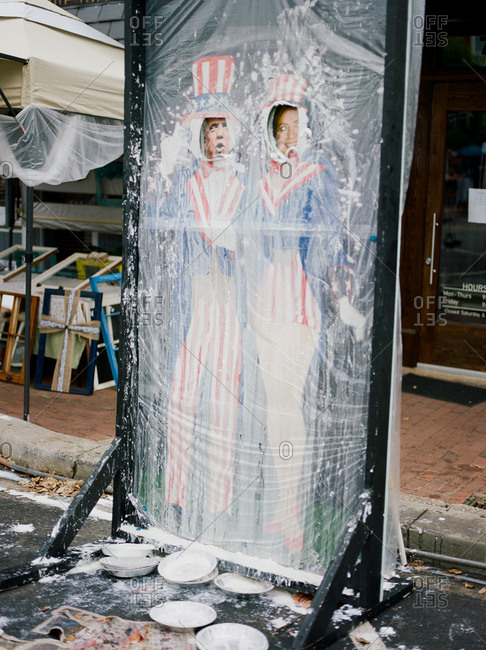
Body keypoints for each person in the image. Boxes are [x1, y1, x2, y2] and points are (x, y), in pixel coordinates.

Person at [250, 74, 365, 553]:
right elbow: (248, 240)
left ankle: (293, 515)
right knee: (274, 410)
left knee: (290, 407)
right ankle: (281, 510)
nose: (287, 134)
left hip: (298, 297)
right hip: (264, 299)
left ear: (308, 126)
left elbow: (332, 237)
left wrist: (343, 300)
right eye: (281, 124)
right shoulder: (259, 178)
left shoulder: (317, 174)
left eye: (295, 123)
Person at [162, 55, 245, 521]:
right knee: (181, 396)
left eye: (222, 127)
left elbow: (256, 243)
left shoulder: (246, 182)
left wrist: (239, 242)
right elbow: (165, 227)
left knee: (224, 405)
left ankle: (218, 504)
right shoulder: (186, 184)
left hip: (230, 305)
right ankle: (177, 496)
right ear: (201, 135)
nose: (217, 135)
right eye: (209, 127)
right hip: (196, 302)